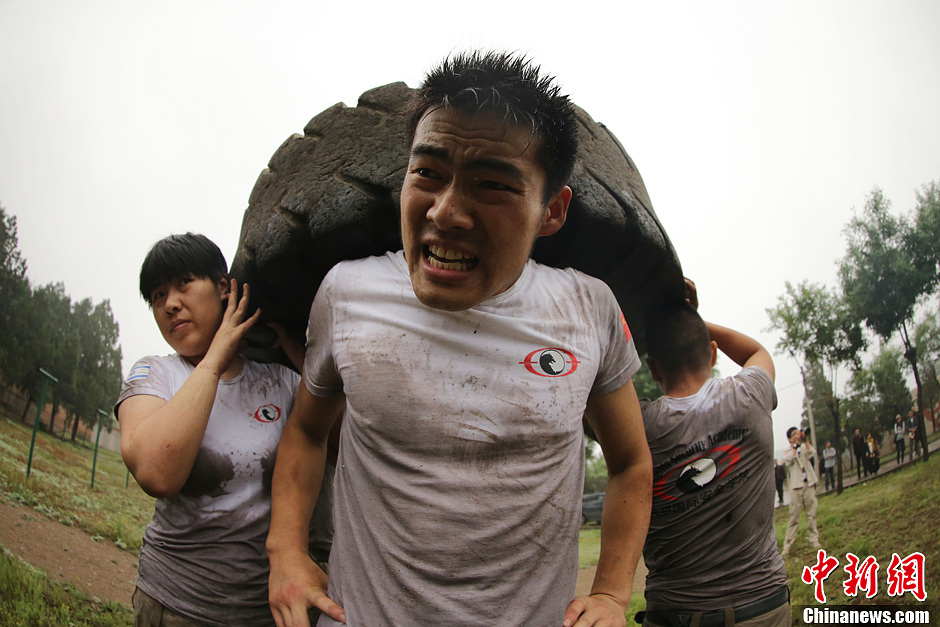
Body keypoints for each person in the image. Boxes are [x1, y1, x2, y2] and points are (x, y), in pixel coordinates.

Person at [266, 51, 652, 627]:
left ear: (552, 211)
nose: (446, 213)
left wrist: (613, 594)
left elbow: (630, 462)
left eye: (492, 185)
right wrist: (287, 552)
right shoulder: (346, 293)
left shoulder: (588, 307)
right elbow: (305, 431)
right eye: (428, 173)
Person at [116, 233, 333, 626]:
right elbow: (156, 472)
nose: (170, 304)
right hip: (173, 606)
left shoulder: (280, 382)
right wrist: (215, 358)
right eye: (157, 296)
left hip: (262, 612)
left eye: (183, 284)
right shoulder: (155, 374)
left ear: (222, 288)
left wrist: (305, 358)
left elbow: (342, 445)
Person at [639, 288, 789, 626]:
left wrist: (650, 327)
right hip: (763, 607)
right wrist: (691, 318)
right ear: (712, 353)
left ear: (654, 369)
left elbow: (589, 395)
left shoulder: (636, 427)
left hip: (675, 615)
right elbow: (756, 350)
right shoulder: (750, 395)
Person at [781, 426, 821, 557]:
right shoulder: (787, 450)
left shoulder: (804, 446)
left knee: (811, 514)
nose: (797, 435)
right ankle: (787, 546)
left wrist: (806, 440)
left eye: (798, 433)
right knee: (794, 517)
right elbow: (787, 461)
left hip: (808, 483)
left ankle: (814, 540)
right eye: (794, 434)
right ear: (789, 438)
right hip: (796, 486)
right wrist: (794, 447)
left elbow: (812, 453)